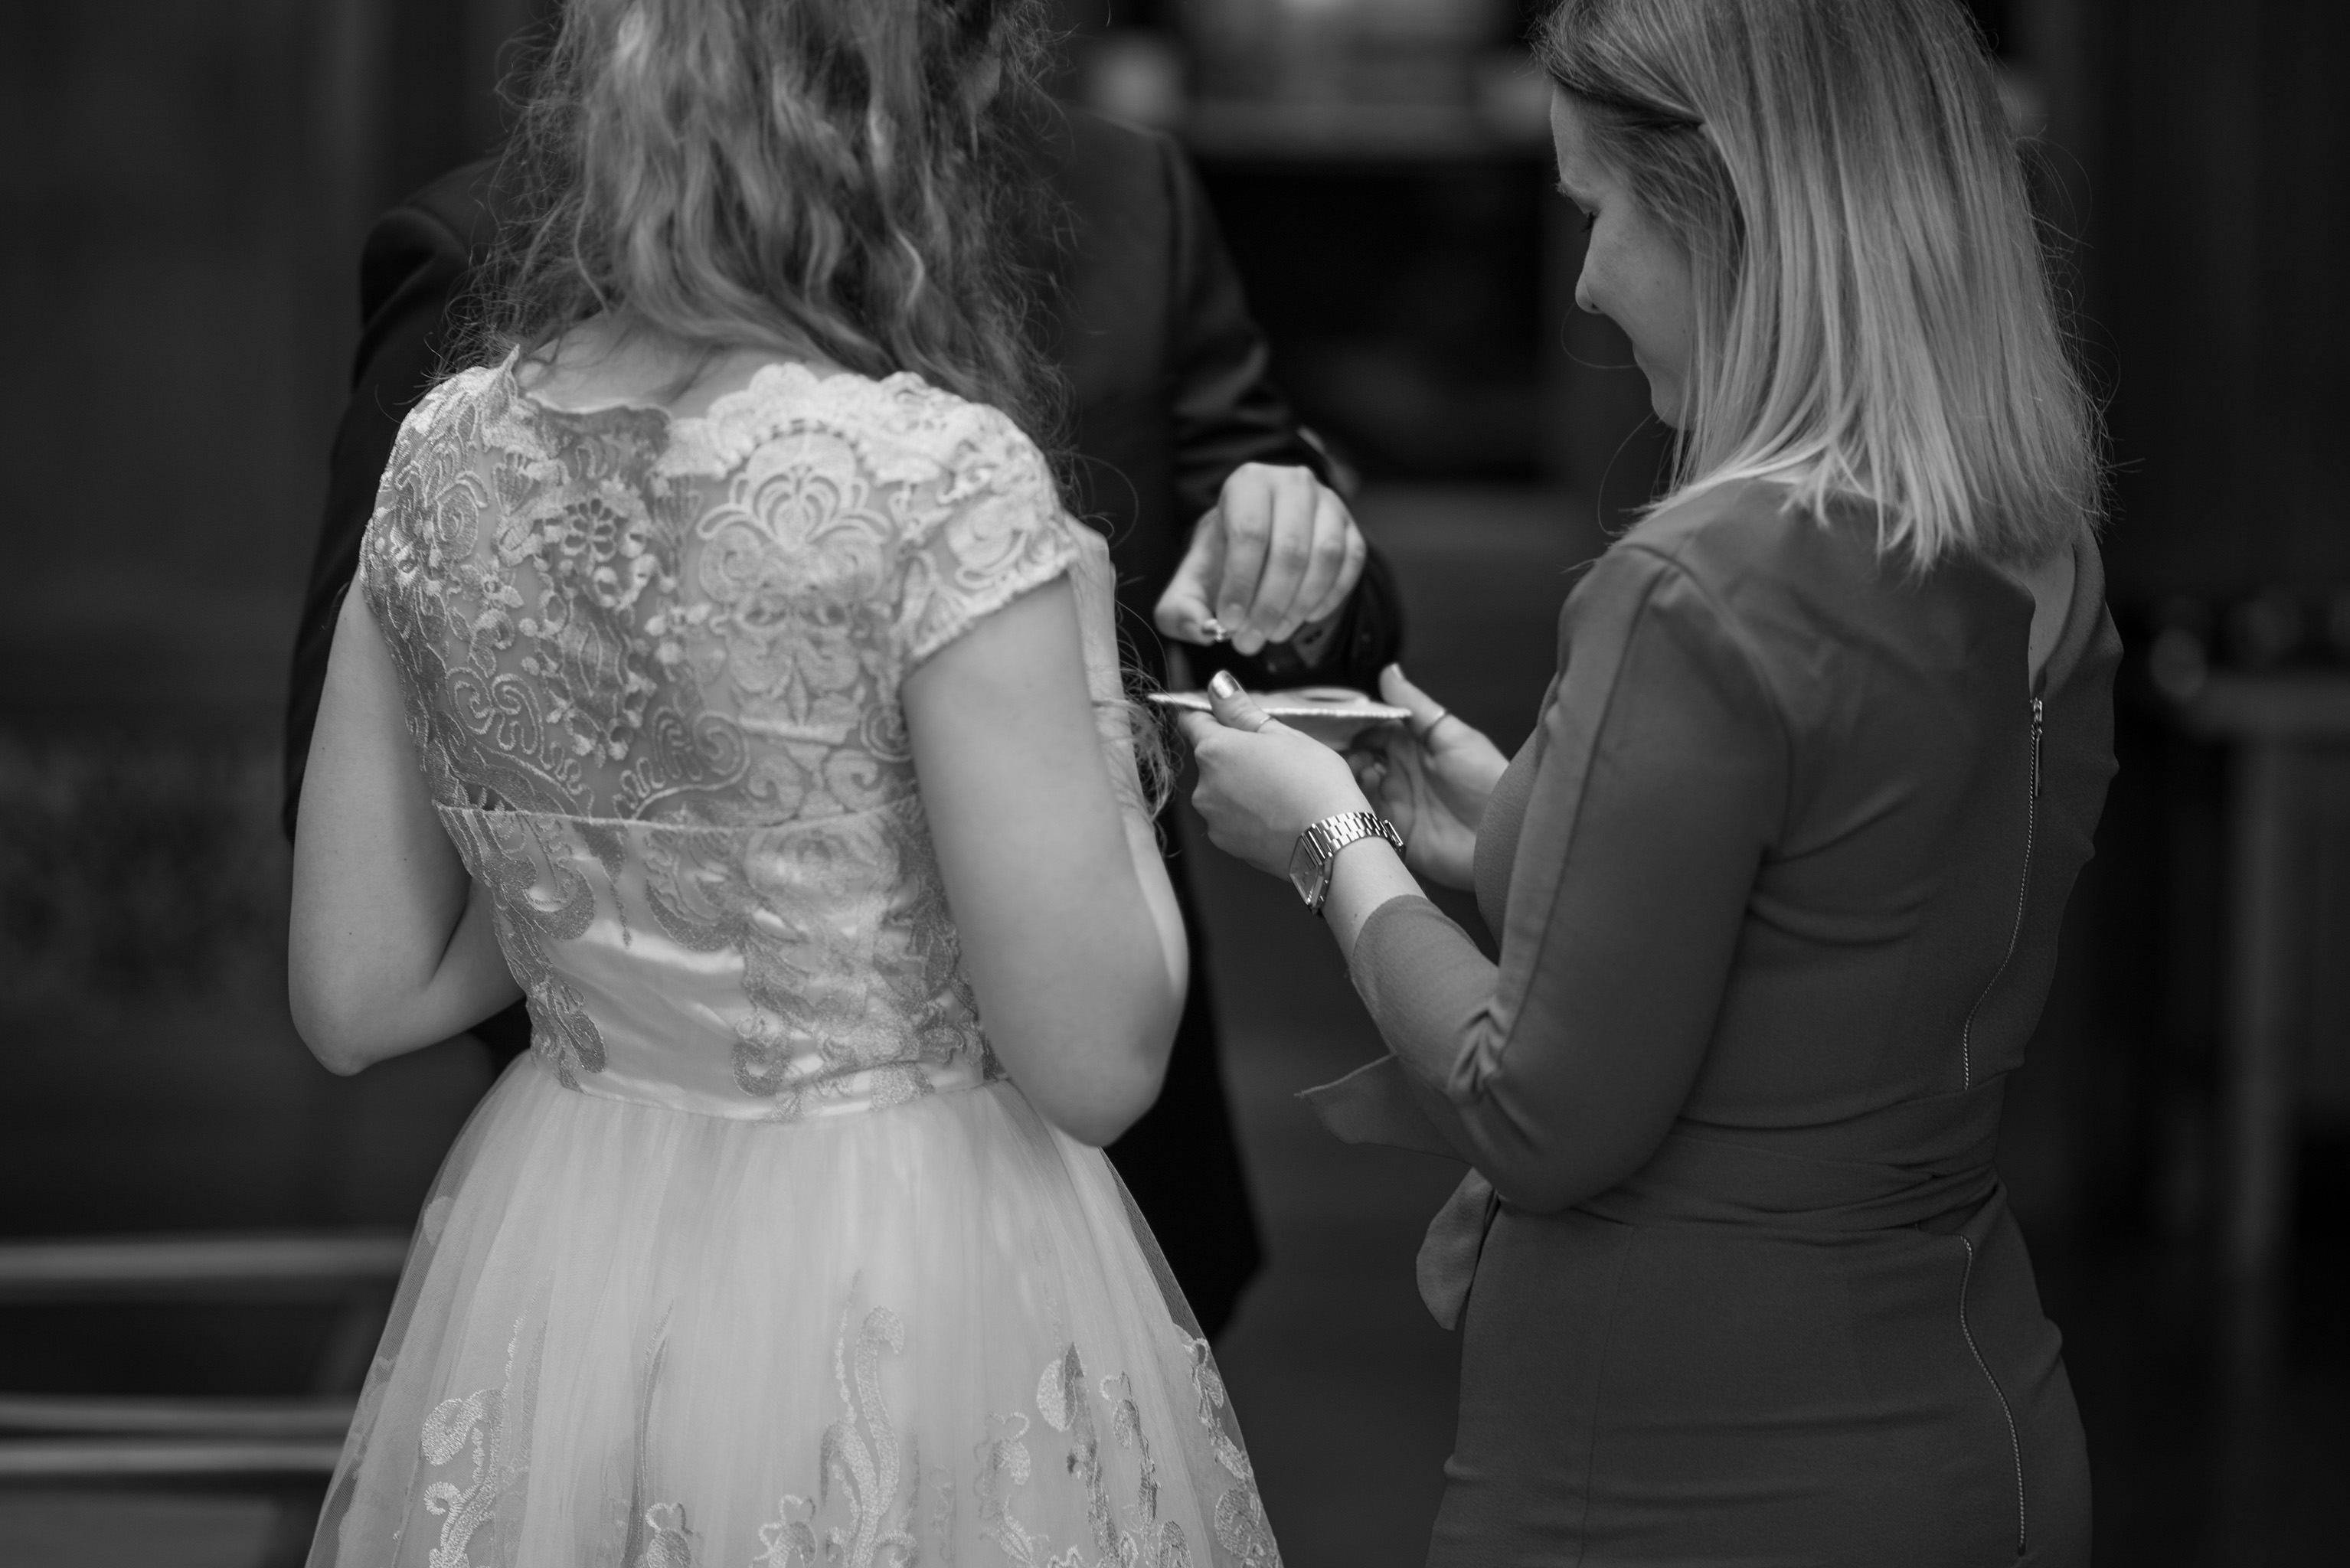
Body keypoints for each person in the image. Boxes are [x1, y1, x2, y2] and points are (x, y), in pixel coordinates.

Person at [288, 2, 1284, 1560]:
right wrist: (1089, 655)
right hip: (897, 1254)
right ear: (902, 124)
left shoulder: (444, 456)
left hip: (569, 1241)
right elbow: (1096, 1064)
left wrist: (606, 873)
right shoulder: (935, 483)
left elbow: (356, 994)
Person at [1177, 0, 2114, 1562]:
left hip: (1689, 1468)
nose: (1586, 285)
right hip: (1972, 1420)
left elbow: (1532, 1111)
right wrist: (1509, 816)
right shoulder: (2032, 545)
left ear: (1727, 209)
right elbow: (1845, 899)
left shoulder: (1704, 581)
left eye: (1594, 212)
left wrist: (1330, 840)